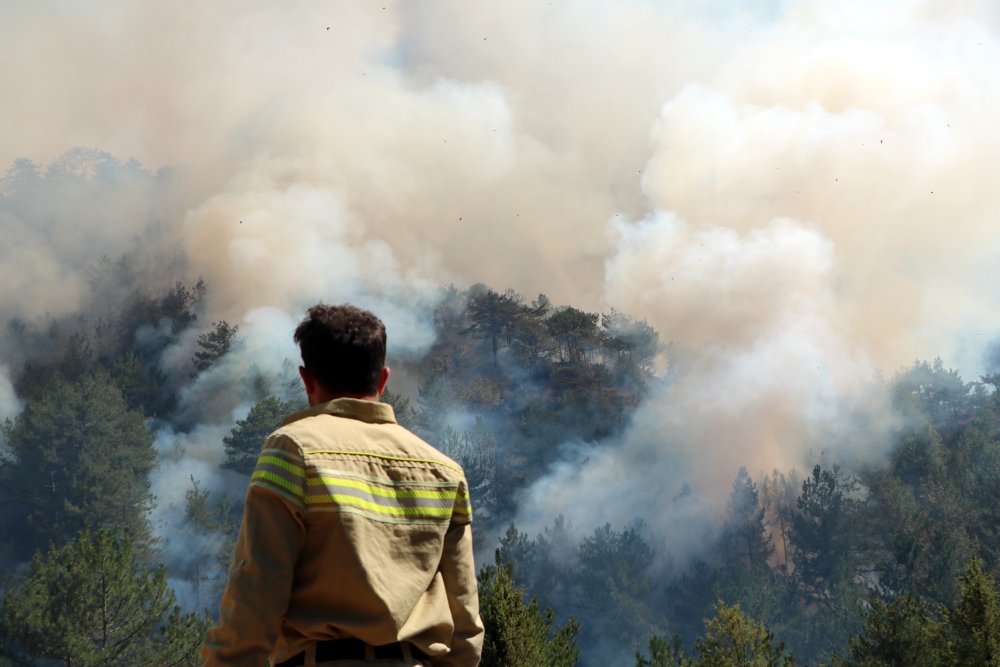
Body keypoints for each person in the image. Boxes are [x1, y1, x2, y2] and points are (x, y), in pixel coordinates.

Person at [201, 304, 484, 667]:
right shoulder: (445, 472)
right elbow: (466, 625)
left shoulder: (292, 451)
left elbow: (255, 598)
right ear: (382, 379)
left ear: (307, 380)